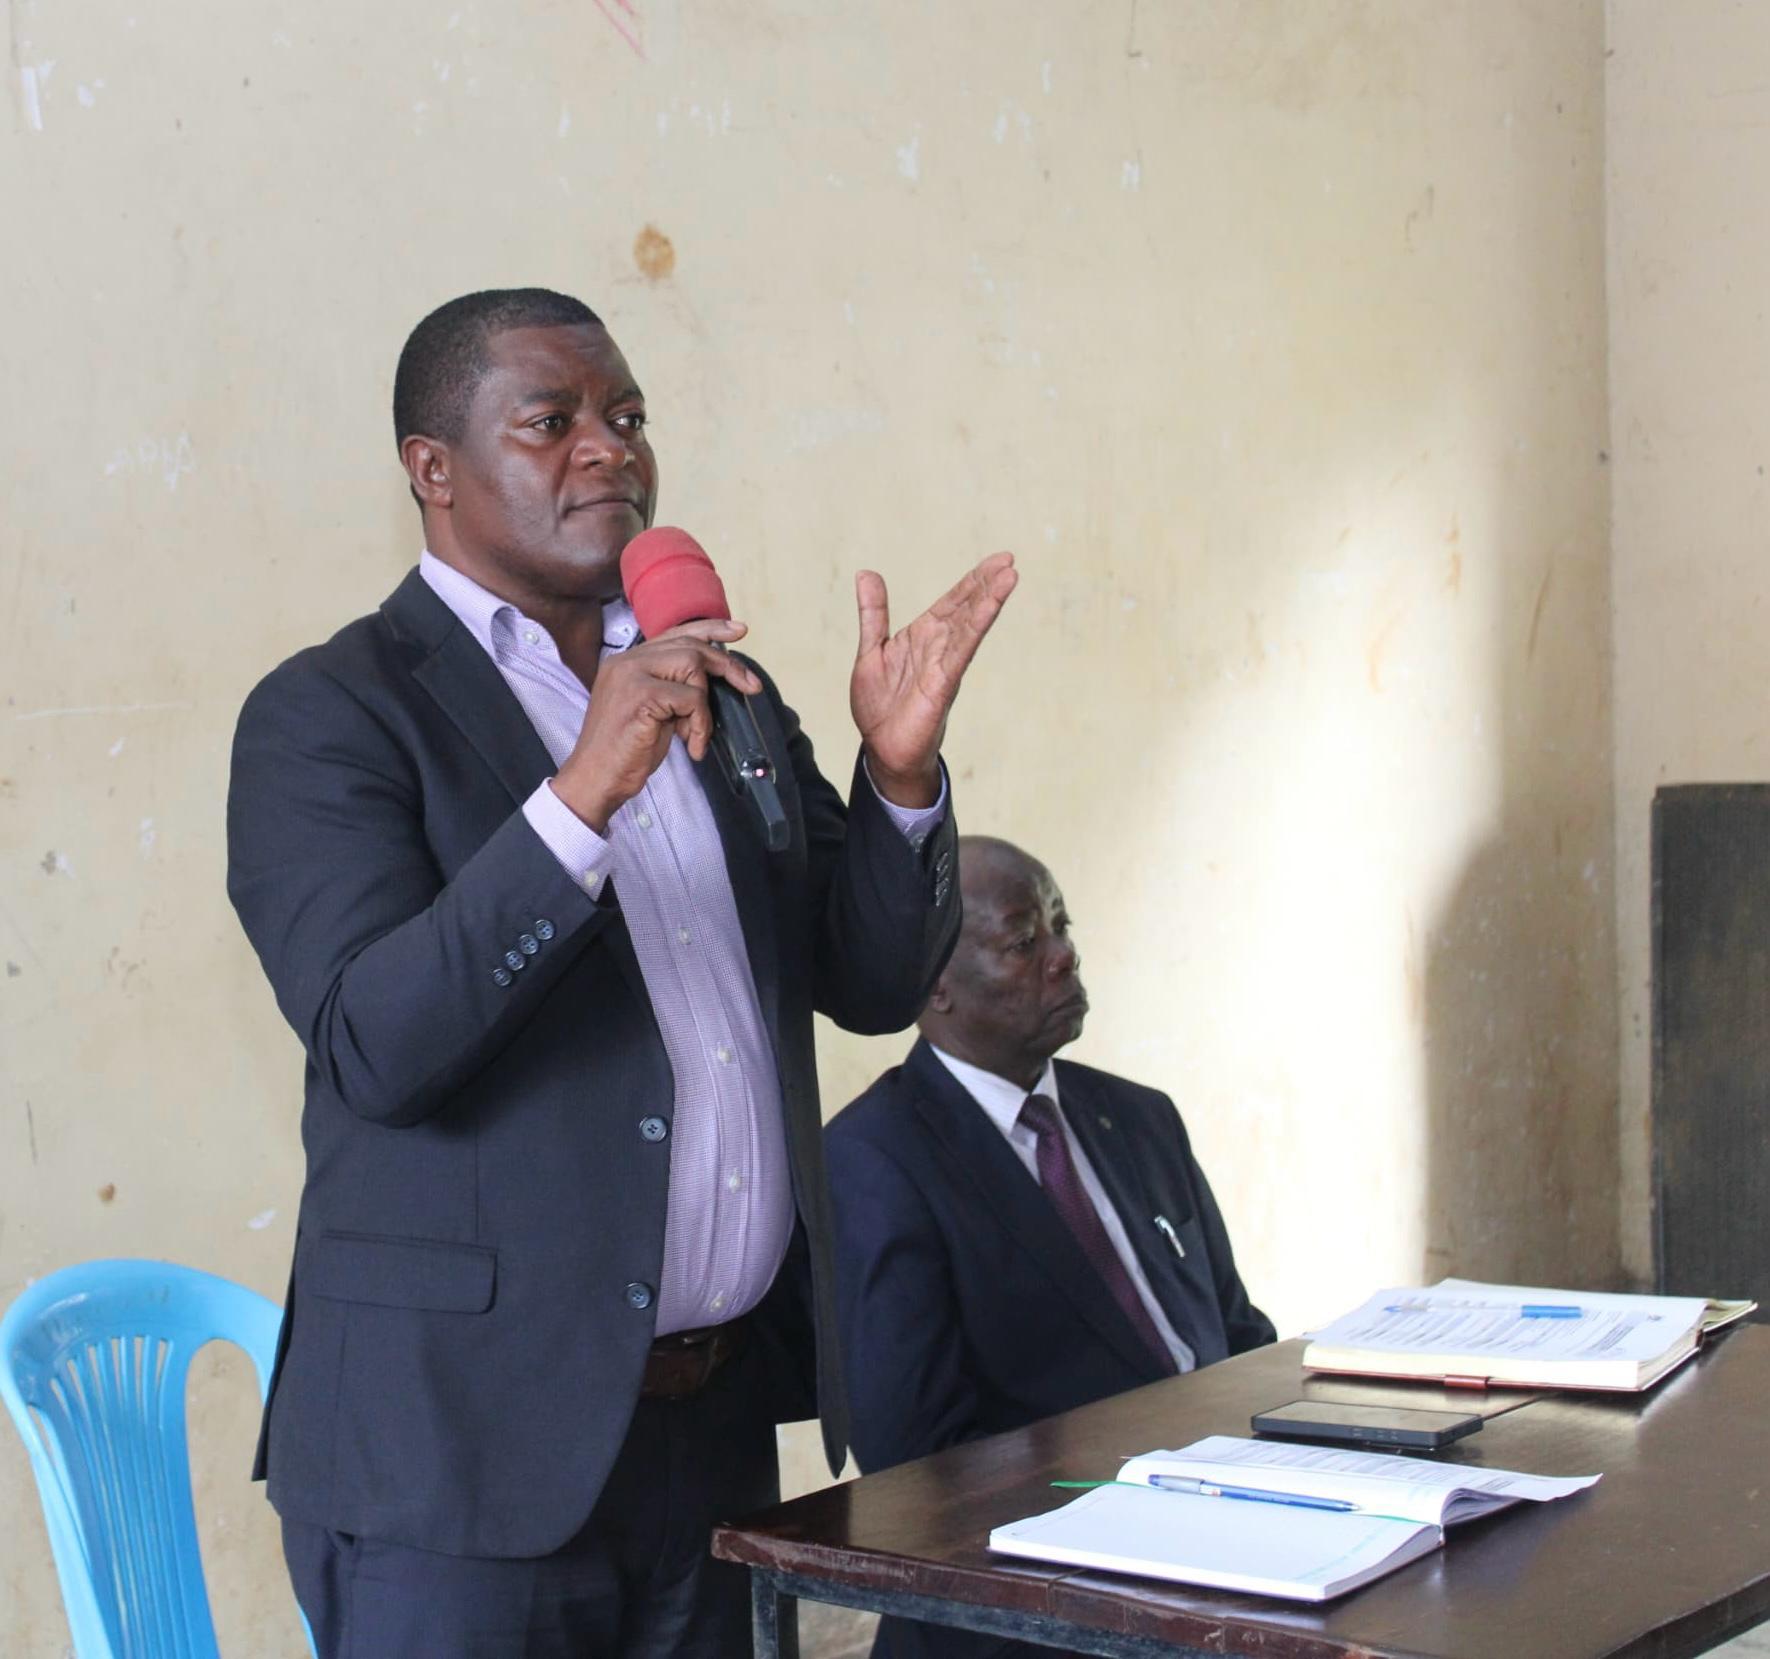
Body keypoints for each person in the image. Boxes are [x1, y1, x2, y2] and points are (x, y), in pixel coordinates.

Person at [225, 286, 1016, 1659]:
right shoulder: (333, 712)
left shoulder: (722, 694)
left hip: (710, 1434)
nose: (611, 450)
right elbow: (377, 1043)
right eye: (552, 421)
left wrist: (897, 776)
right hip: (459, 1463)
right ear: (432, 469)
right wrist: (581, 794)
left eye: (629, 416)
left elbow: (872, 981)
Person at [825, 835, 1274, 1659]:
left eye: (1061, 925)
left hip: (1232, 1545)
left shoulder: (1139, 1118)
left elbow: (1240, 1337)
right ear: (934, 985)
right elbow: (918, 1462)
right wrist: (1149, 1491)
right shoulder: (879, 1159)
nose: (1064, 955)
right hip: (1041, 1597)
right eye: (1023, 940)